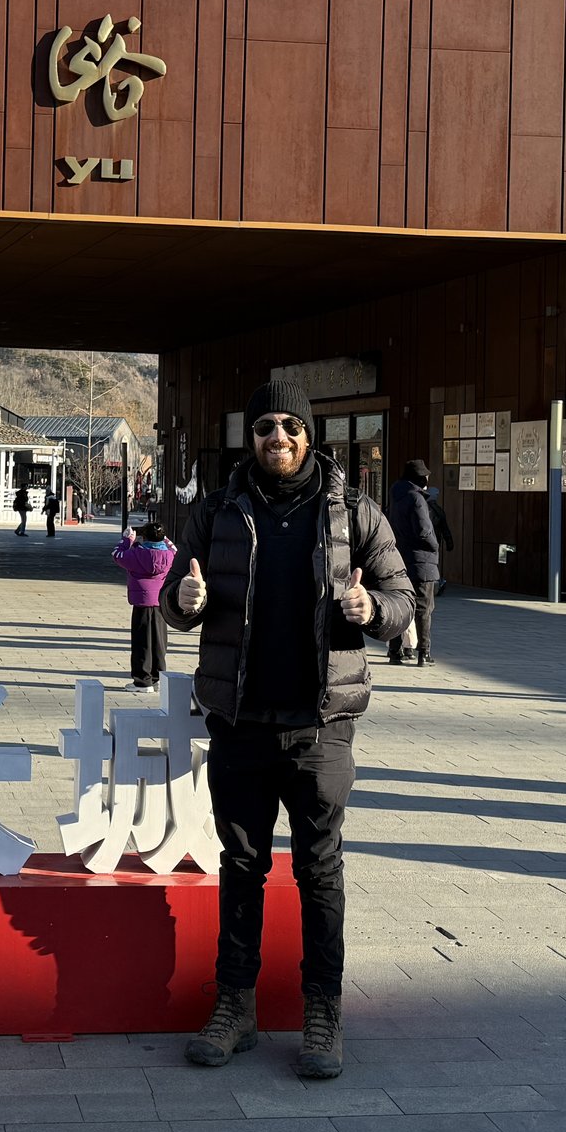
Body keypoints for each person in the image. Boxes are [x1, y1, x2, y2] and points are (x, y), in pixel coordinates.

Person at [163, 381, 416, 1082]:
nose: (280, 436)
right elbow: (173, 598)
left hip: (321, 723)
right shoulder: (217, 510)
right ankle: (235, 1003)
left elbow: (404, 598)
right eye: (267, 425)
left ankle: (322, 1009)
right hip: (240, 722)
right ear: (253, 436)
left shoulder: (355, 512)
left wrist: (372, 609)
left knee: (318, 868)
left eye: (292, 426)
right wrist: (181, 602)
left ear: (312, 436)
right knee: (240, 864)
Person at [385, 458, 443, 666]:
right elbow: (424, 531)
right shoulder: (417, 499)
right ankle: (424, 652)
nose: (428, 478)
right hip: (421, 559)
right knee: (424, 607)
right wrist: (434, 545)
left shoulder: (396, 495)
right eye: (425, 475)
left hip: (399, 557)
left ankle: (395, 650)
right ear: (419, 477)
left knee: (400, 604)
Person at [113, 522, 175, 689]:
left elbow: (117, 555)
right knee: (160, 642)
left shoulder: (136, 554)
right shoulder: (169, 555)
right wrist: (165, 539)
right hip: (160, 603)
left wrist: (127, 540)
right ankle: (160, 678)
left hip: (142, 602)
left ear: (144, 537)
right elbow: (175, 549)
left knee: (142, 642)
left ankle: (142, 680)